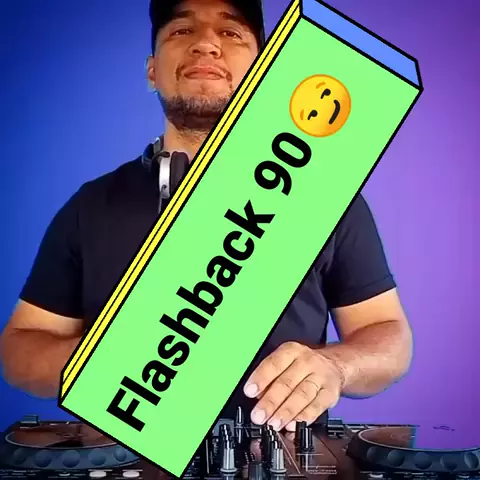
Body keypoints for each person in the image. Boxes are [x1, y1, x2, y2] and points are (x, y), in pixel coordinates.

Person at [0, 0, 413, 433]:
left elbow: (388, 335)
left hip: (278, 451)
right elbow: (19, 350)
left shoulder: (325, 198)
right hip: (122, 453)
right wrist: (101, 361)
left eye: (231, 33)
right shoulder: (90, 206)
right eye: (181, 31)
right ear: (152, 71)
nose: (206, 44)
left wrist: (337, 367)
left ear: (264, 70)